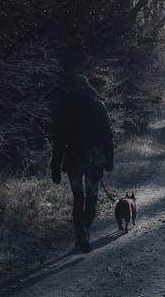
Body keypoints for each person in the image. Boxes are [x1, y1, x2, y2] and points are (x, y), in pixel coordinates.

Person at [49, 72, 113, 253]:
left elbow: (59, 140)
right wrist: (109, 160)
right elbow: (107, 137)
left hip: (73, 160)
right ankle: (85, 229)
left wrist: (55, 166)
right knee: (92, 197)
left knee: (78, 197)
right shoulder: (99, 106)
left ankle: (80, 233)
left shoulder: (65, 109)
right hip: (95, 160)